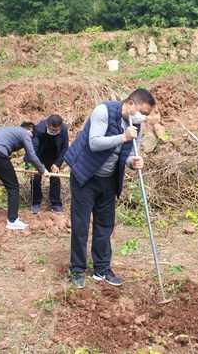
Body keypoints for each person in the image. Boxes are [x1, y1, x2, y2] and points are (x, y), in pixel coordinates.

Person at [64, 89, 155, 289]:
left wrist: (133, 161)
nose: (143, 117)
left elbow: (129, 153)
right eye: (141, 112)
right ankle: (77, 269)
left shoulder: (137, 125)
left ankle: (102, 269)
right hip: (85, 175)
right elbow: (94, 143)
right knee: (81, 224)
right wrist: (123, 137)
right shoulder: (103, 111)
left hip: (108, 178)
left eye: (146, 115)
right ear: (130, 104)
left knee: (105, 225)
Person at [25, 114, 69, 214]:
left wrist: (57, 163)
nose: (54, 132)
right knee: (35, 178)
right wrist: (33, 164)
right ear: (47, 125)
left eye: (56, 130)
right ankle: (35, 202)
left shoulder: (64, 129)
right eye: (52, 130)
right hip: (39, 155)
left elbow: (65, 148)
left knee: (55, 178)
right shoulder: (39, 128)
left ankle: (56, 204)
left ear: (60, 127)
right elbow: (33, 148)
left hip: (54, 156)